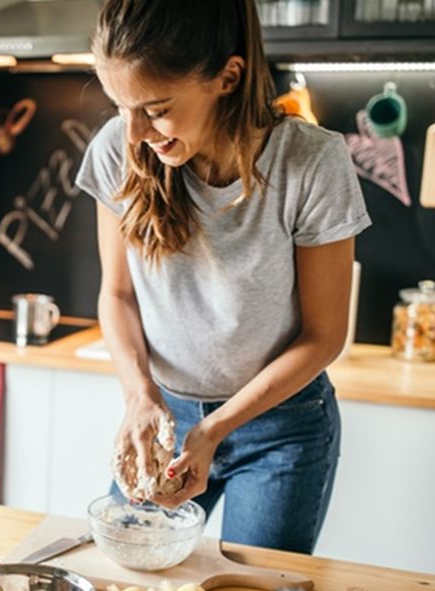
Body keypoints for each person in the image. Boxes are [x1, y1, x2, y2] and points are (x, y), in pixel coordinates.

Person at [75, 0, 371, 554]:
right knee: (126, 575)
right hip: (164, 414)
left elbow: (324, 336)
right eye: (121, 108)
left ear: (227, 77)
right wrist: (140, 397)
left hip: (281, 429)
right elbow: (116, 295)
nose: (135, 132)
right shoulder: (118, 150)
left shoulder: (310, 163)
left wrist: (214, 431)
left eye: (156, 109)